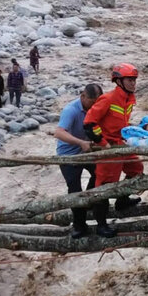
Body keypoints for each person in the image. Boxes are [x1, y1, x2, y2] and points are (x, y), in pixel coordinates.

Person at [84, 63, 144, 238]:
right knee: (104, 186)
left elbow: (121, 122)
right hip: (109, 146)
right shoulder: (108, 99)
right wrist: (102, 142)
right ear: (118, 81)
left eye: (134, 80)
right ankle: (101, 225)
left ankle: (122, 201)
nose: (133, 83)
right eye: (129, 80)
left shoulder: (129, 99)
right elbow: (89, 123)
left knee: (136, 168)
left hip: (121, 143)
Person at [54, 84, 103, 239]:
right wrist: (80, 142)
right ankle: (79, 225)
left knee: (100, 175)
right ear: (83, 96)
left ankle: (88, 200)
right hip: (69, 155)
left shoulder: (94, 109)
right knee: (75, 190)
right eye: (92, 101)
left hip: (87, 152)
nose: (94, 105)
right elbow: (59, 132)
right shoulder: (71, 110)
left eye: (97, 102)